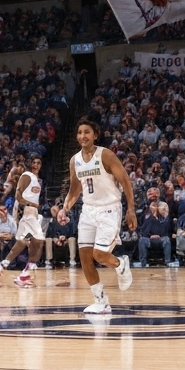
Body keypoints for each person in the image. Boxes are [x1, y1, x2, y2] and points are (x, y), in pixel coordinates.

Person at [63, 118, 136, 311]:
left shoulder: (106, 155)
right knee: (85, 258)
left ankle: (121, 264)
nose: (82, 136)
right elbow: (74, 189)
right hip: (88, 210)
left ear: (95, 135)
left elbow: (126, 181)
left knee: (100, 254)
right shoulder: (75, 160)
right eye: (80, 132)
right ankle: (101, 302)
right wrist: (65, 208)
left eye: (87, 132)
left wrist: (130, 209)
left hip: (109, 209)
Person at [0, 156, 50, 287]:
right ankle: (25, 274)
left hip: (32, 212)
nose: (36, 165)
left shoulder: (37, 180)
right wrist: (28, 205)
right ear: (30, 164)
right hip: (27, 211)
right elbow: (18, 195)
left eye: (39, 163)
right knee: (39, 241)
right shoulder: (26, 175)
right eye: (34, 162)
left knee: (21, 242)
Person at [136, 200, 173, 267]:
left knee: (167, 240)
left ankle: (168, 262)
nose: (155, 208)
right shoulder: (145, 217)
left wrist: (159, 235)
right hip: (149, 239)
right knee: (142, 240)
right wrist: (153, 215)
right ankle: (143, 263)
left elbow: (165, 230)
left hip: (161, 239)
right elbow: (144, 230)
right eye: (153, 206)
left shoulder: (164, 218)